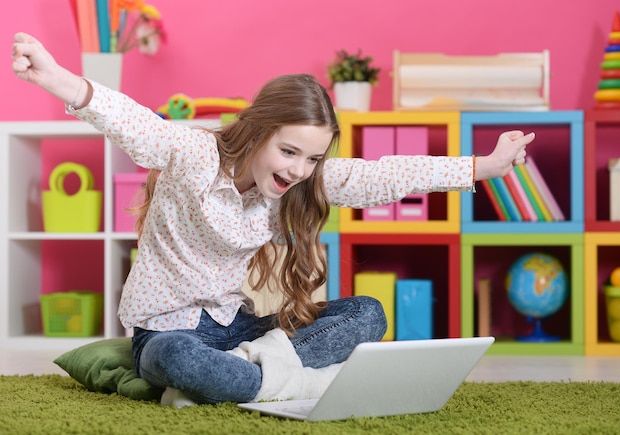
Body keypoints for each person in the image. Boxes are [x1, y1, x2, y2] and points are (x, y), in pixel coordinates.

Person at [11, 32, 534, 407]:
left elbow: (383, 175)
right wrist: (58, 78)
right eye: (289, 152)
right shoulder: (194, 153)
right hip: (167, 335)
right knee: (178, 358)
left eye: (312, 159)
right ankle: (289, 383)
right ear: (259, 130)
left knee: (368, 314)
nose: (299, 171)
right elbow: (138, 126)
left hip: (237, 330)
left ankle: (246, 375)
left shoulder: (294, 186)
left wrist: (482, 166)